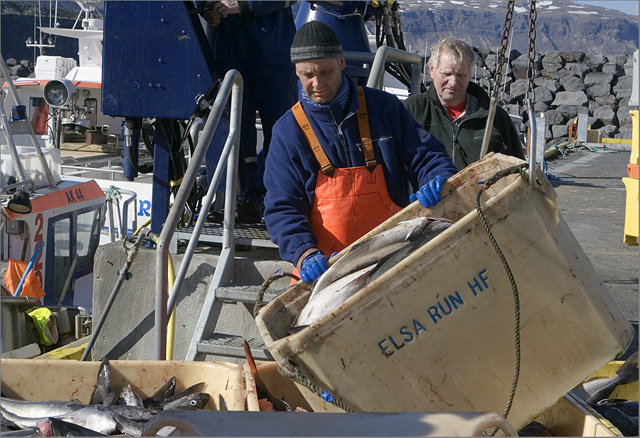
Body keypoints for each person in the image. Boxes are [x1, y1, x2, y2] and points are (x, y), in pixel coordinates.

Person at [263, 21, 458, 283]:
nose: (317, 83)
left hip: (390, 263)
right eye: (307, 75)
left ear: (342, 63)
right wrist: (304, 253)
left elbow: (426, 155)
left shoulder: (384, 107)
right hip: (323, 275)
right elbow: (281, 207)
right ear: (296, 72)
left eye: (325, 71)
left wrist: (437, 177)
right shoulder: (287, 132)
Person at [199, 1, 297, 223]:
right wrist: (205, 7)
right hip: (227, 43)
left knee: (282, 129)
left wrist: (245, 4)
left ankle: (282, 203)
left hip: (273, 43)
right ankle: (243, 199)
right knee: (235, 128)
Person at [403, 37, 524, 170]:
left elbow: (518, 170)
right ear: (432, 69)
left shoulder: (496, 118)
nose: (453, 82)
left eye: (461, 75)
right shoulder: (410, 111)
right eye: (446, 74)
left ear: (470, 73)